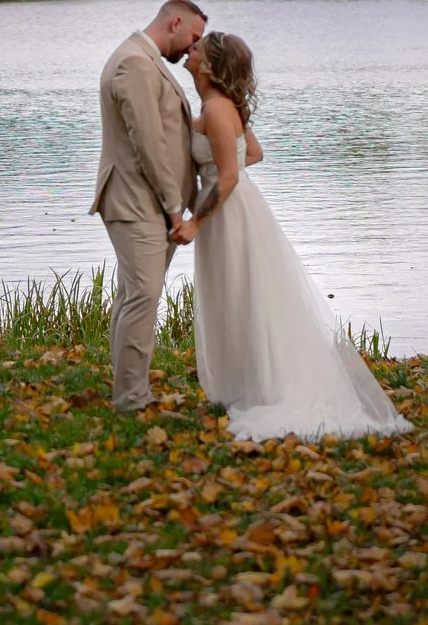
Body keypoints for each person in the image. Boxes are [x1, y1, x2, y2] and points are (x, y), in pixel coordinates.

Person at [172, 30, 412, 442]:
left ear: (209, 65)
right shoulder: (221, 106)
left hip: (228, 212)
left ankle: (261, 389)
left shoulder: (216, 108)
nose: (189, 51)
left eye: (196, 49)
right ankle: (252, 382)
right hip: (240, 207)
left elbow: (229, 176)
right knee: (241, 294)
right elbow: (253, 154)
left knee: (239, 293)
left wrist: (195, 221)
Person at [90, 0, 204, 411]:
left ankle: (129, 390)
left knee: (132, 296)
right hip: (136, 200)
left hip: (146, 201)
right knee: (143, 297)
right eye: (194, 37)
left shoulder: (144, 59)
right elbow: (149, 144)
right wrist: (175, 209)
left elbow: (167, 131)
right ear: (175, 22)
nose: (194, 48)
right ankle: (132, 399)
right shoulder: (134, 63)